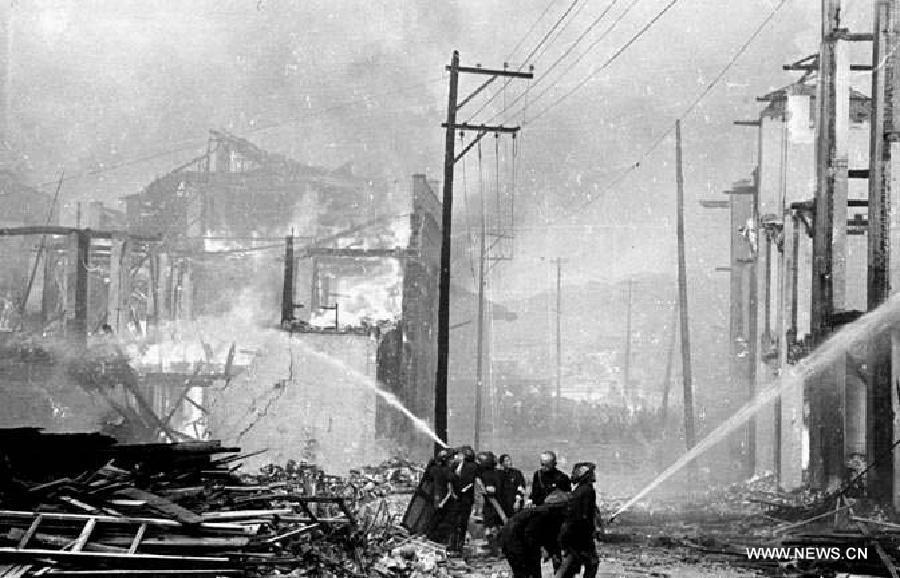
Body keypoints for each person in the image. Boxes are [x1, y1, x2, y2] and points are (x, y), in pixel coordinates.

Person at [500, 490, 570, 578]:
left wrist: (553, 553)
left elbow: (551, 539)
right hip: (513, 541)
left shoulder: (550, 517)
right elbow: (530, 536)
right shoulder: (543, 515)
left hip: (516, 540)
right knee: (525, 571)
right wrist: (542, 552)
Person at [557, 462, 600, 578]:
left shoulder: (580, 491)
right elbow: (584, 515)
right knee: (591, 563)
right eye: (592, 472)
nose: (594, 475)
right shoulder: (587, 491)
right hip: (581, 535)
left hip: (575, 534)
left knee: (571, 564)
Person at [448, 446, 478, 553]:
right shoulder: (456, 465)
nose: (458, 456)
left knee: (463, 521)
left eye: (460, 454)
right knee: (454, 521)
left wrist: (462, 490)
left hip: (465, 498)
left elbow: (470, 482)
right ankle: (453, 544)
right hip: (456, 498)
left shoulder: (472, 466)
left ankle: (460, 544)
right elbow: (450, 477)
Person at [476, 451, 506, 556]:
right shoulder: (498, 473)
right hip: (498, 504)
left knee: (491, 529)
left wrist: (501, 513)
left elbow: (491, 496)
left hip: (492, 506)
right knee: (494, 528)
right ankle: (498, 549)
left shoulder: (487, 476)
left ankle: (496, 551)